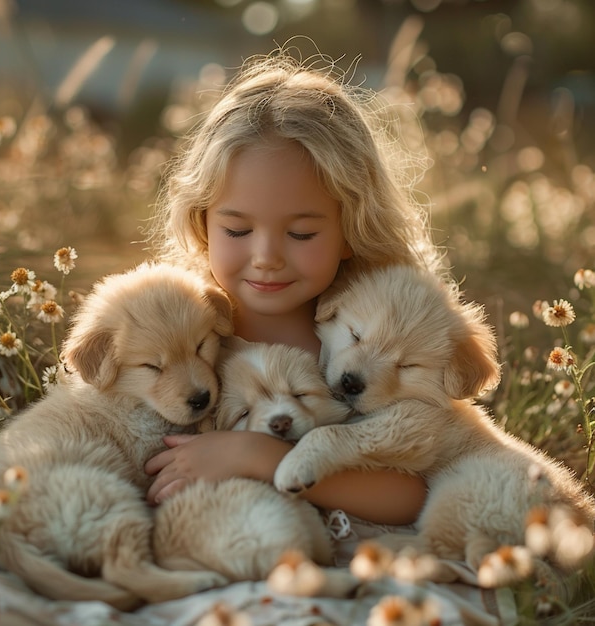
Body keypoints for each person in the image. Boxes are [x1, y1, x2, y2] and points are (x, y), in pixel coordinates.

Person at [144, 48, 445, 527]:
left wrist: (259, 457)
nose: (266, 257)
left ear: (353, 230)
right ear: (201, 224)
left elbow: (411, 495)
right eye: (237, 231)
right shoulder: (183, 341)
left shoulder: (368, 352)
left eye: (302, 233)